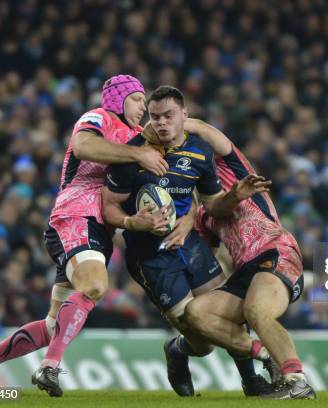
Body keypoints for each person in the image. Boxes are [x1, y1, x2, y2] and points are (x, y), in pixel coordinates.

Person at [0, 75, 169, 397]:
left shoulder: (138, 137)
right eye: (138, 99)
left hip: (100, 228)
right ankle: (50, 366)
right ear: (119, 98)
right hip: (76, 215)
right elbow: (83, 146)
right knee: (95, 286)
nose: (144, 106)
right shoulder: (99, 117)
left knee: (54, 325)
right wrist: (137, 155)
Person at [101, 86, 273, 397]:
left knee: (228, 313)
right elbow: (108, 206)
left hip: (189, 243)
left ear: (185, 115)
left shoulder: (199, 152)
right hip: (149, 256)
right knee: (204, 342)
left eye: (168, 116)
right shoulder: (132, 155)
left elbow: (212, 204)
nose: (161, 123)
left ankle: (252, 381)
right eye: (155, 117)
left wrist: (234, 196)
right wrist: (131, 222)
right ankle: (179, 350)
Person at [177, 118, 315, 400]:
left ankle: (297, 382)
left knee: (257, 311)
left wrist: (168, 128)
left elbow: (206, 131)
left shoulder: (231, 166)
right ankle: (266, 355)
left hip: (275, 251)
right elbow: (210, 258)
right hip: (244, 271)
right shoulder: (203, 213)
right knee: (196, 313)